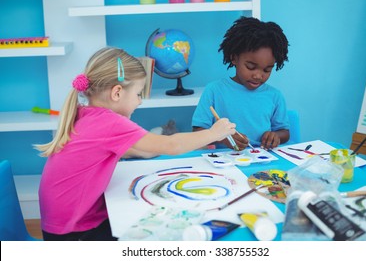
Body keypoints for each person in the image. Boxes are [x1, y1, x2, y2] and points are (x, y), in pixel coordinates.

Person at [34, 47, 236, 241]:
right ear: (117, 93)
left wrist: (195, 143)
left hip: (63, 225)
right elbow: (171, 145)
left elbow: (140, 149)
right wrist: (213, 133)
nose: (140, 101)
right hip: (73, 235)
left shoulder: (88, 113)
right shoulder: (108, 122)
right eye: (139, 94)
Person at [192, 16, 290, 151]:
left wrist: (275, 136)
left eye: (267, 70)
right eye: (250, 67)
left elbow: (284, 132)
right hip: (223, 160)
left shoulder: (274, 96)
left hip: (261, 158)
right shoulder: (214, 90)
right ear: (234, 58)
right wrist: (223, 138)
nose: (258, 75)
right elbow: (198, 131)